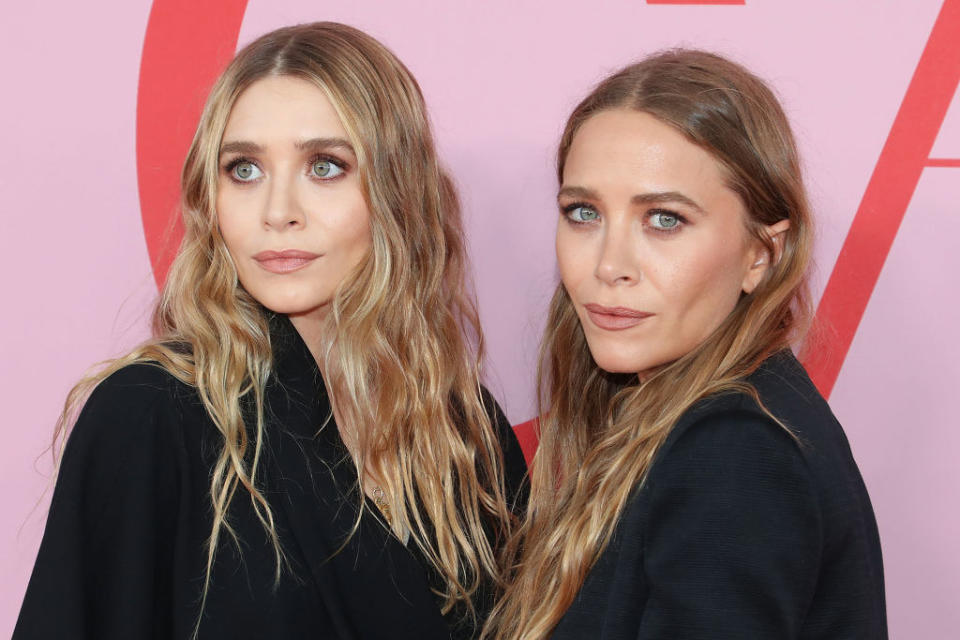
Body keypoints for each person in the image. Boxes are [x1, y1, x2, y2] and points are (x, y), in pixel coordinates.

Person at [15, 22, 526, 640]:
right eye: (245, 169)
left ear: (398, 191)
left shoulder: (464, 432)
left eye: (326, 166)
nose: (278, 209)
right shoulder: (151, 413)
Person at [486, 50, 886, 639]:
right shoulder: (691, 418)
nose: (610, 264)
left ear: (762, 253)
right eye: (583, 212)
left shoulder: (737, 448)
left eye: (665, 219)